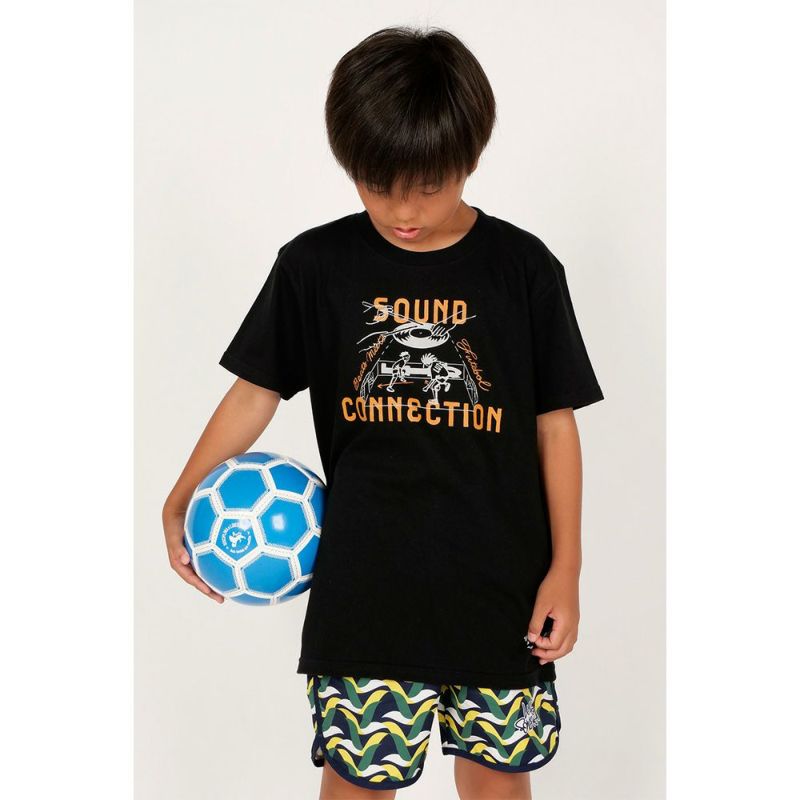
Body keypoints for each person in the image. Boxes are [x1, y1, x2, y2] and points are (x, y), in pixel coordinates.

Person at [163, 25, 604, 800]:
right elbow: (256, 389)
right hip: (365, 595)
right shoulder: (316, 266)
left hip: (499, 593)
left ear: (470, 158)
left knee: (499, 784)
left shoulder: (523, 270)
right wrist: (182, 492)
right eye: (376, 183)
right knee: (357, 786)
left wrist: (565, 567)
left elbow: (554, 425)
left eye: (428, 185)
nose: (403, 209)